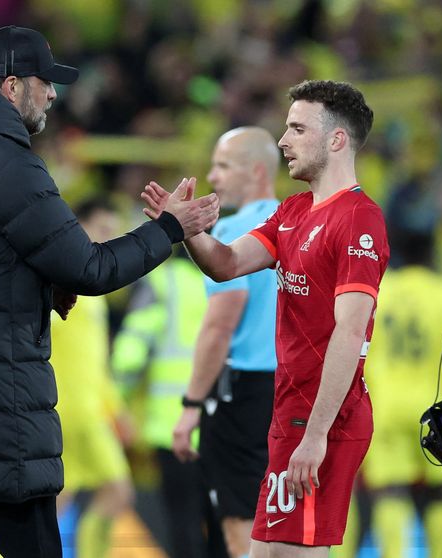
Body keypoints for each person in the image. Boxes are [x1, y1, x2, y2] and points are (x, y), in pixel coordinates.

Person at [0, 25, 219, 558]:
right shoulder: (6, 162)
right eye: (45, 82)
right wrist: (168, 228)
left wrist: (39, 281)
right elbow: (91, 268)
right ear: (12, 86)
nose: (54, 95)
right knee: (29, 543)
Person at [142, 80, 388, 558]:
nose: (283, 140)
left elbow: (350, 329)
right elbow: (227, 263)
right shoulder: (294, 210)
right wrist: (185, 228)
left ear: (337, 139)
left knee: (295, 554)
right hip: (285, 413)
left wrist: (315, 436)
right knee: (264, 553)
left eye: (298, 129)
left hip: (325, 420)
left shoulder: (359, 219)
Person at [171, 126, 280, 558]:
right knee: (284, 522)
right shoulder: (299, 225)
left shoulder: (236, 231)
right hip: (296, 390)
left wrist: (191, 406)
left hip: (245, 394)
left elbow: (220, 324)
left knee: (242, 524)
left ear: (256, 171)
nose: (213, 177)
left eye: (223, 166)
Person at [361, 218, 442, 558]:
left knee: (389, 490)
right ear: (430, 255)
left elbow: (365, 348)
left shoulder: (381, 291)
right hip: (438, 402)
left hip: (388, 402)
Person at [112, 247, 220, 558]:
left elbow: (130, 354)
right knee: (224, 524)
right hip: (223, 425)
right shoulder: (228, 279)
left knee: (183, 520)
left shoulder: (162, 282)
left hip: (172, 426)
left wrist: (118, 399)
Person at [48, 197, 133, 558]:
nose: (106, 238)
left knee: (115, 491)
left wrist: (117, 410)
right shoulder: (60, 280)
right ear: (76, 228)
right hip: (61, 412)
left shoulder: (94, 290)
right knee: (54, 499)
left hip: (89, 413)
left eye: (112, 232)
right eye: (100, 229)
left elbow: (97, 365)